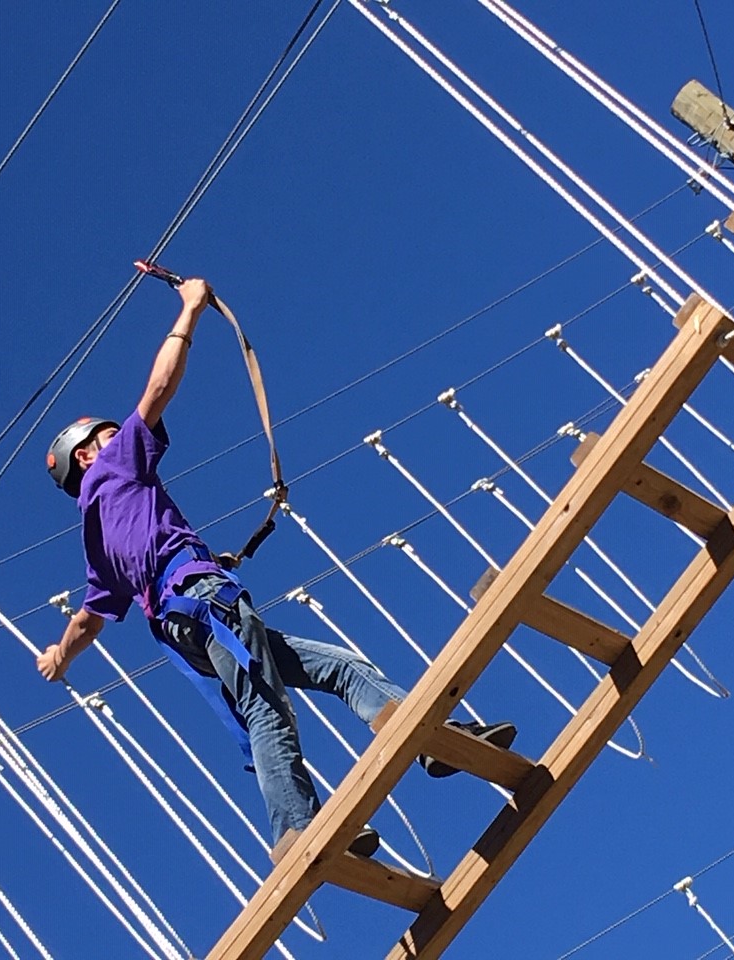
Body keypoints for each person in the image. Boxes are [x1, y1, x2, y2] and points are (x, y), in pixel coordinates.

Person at [37, 277, 516, 861]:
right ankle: (297, 830)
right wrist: (190, 310)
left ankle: (428, 736)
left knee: (339, 667)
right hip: (206, 603)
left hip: (189, 618)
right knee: (266, 706)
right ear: (87, 454)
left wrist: (59, 656)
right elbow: (159, 388)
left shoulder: (96, 537)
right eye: (108, 433)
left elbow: (89, 619)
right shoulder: (115, 465)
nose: (123, 434)